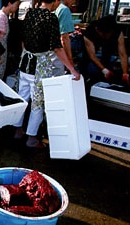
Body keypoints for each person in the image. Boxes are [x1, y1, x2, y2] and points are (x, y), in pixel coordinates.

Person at [12, 0, 80, 148]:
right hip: (39, 66)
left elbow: (23, 39)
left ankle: (18, 130)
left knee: (21, 98)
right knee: (38, 103)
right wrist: (72, 68)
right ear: (54, 1)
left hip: (25, 63)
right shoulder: (50, 18)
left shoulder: (30, 13)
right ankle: (31, 138)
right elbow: (57, 47)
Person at [81, 15, 130, 89]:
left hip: (107, 52)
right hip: (90, 55)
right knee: (87, 66)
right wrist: (104, 70)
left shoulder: (117, 31)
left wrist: (125, 73)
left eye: (108, 35)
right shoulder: (90, 31)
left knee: (108, 63)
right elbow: (92, 55)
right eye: (103, 34)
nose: (106, 36)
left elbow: (122, 54)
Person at [0, 0, 21, 80]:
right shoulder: (1, 17)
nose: (17, 7)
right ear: (9, 3)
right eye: (16, 5)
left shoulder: (1, 15)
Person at [51, 0, 75, 76]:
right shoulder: (64, 10)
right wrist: (69, 60)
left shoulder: (49, 7)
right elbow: (64, 38)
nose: (74, 3)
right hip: (56, 53)